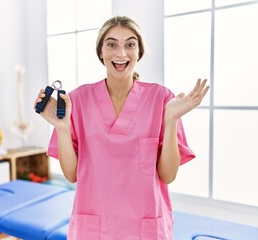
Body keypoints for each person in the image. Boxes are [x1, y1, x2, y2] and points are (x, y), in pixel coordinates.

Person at [35, 16, 209, 240]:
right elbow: (71, 175)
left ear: (139, 52)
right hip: (94, 228)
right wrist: (62, 127)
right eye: (112, 44)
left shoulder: (162, 99)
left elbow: (168, 175)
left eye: (130, 44)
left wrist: (171, 119)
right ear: (101, 52)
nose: (121, 53)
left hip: (144, 227)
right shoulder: (77, 100)